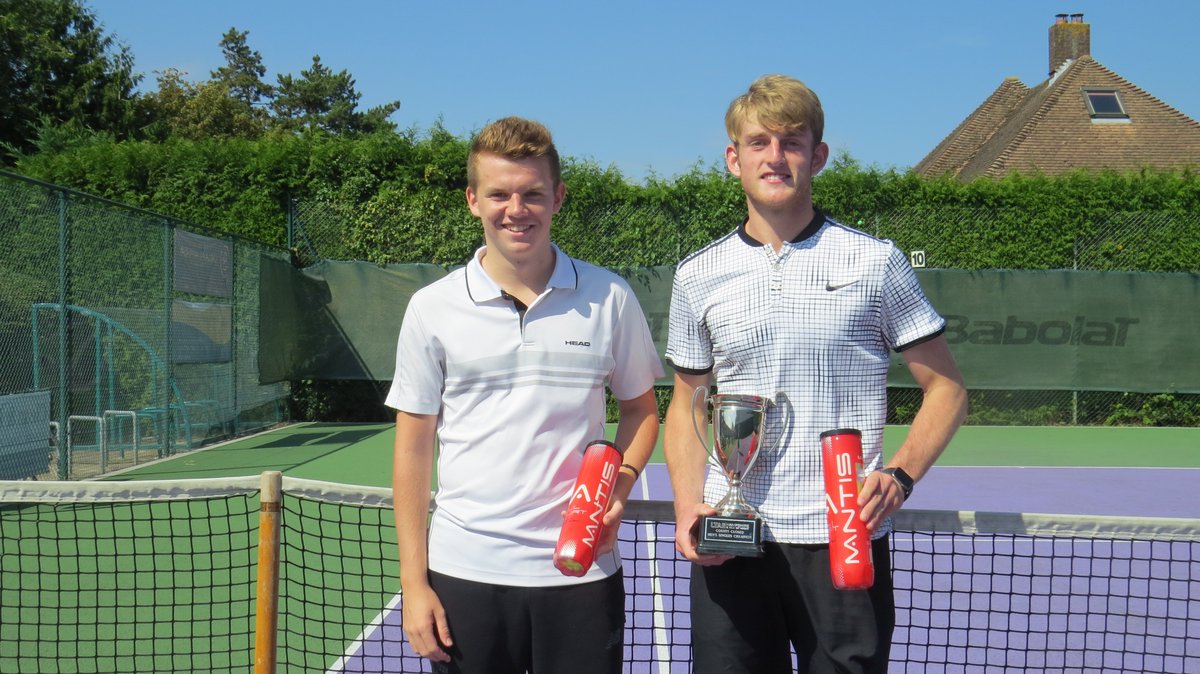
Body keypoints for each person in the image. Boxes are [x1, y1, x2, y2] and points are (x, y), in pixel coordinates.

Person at [663, 74, 968, 673]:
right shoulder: (697, 274)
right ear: (734, 159)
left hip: (844, 539)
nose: (775, 157)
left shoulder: (875, 262)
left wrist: (901, 476)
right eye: (758, 143)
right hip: (734, 539)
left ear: (818, 155)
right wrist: (686, 505)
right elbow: (686, 405)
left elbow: (947, 388)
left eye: (792, 142)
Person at [386, 116, 663, 674]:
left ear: (557, 197)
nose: (517, 208)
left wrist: (622, 483)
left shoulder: (609, 296)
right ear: (472, 200)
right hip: (465, 574)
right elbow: (412, 451)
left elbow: (641, 410)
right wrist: (413, 584)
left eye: (533, 193)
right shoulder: (432, 308)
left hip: (581, 571)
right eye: (499, 194)